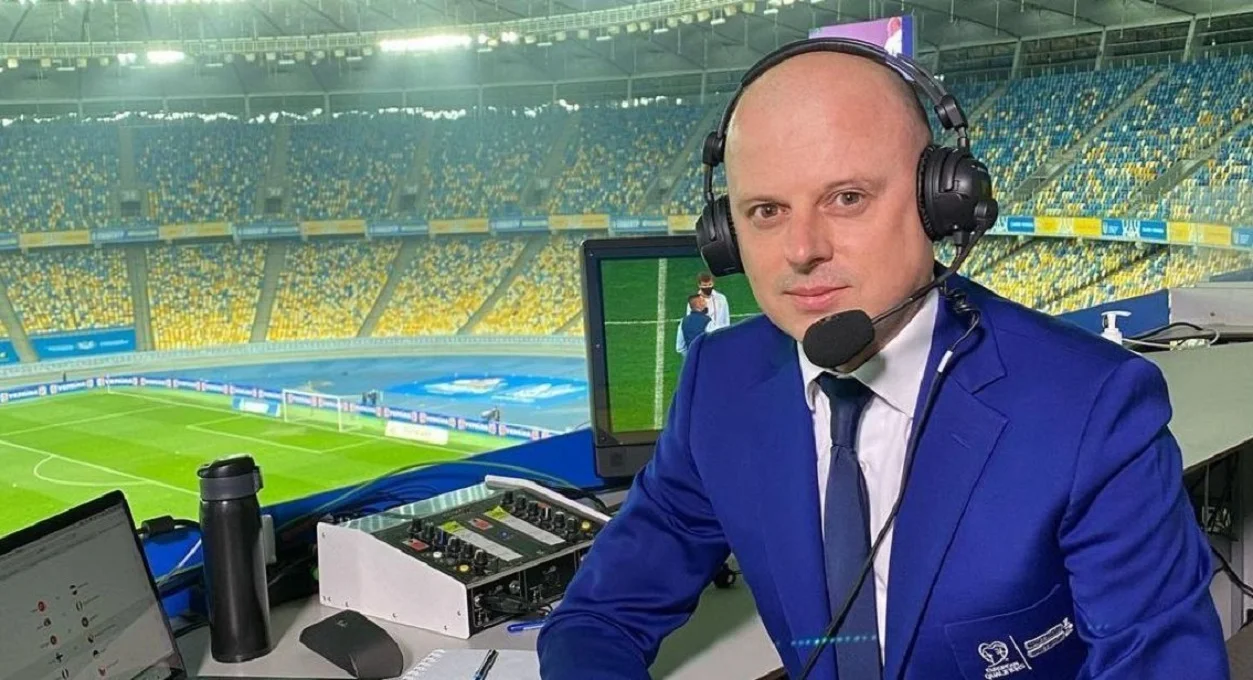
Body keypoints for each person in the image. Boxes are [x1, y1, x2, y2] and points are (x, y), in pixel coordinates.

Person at [538, 41, 1226, 680]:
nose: (801, 250)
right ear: (724, 233)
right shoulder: (719, 382)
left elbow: (1162, 665)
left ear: (940, 202)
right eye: (766, 211)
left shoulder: (1092, 405)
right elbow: (596, 619)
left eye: (847, 198)